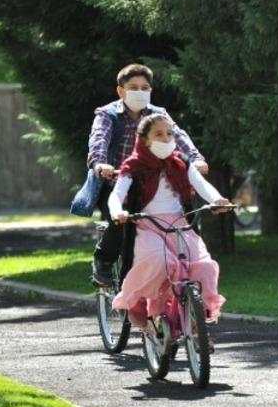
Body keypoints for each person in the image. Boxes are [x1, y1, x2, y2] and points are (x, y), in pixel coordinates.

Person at [73, 63, 208, 287]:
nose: (139, 92)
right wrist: (100, 164)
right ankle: (104, 261)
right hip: (116, 180)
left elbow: (178, 136)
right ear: (121, 91)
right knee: (122, 222)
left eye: (145, 88)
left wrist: (196, 158)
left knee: (182, 218)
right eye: (133, 87)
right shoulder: (107, 115)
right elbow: (98, 140)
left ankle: (183, 272)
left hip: (152, 182)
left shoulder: (158, 114)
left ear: (151, 91)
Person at [108, 114, 231, 330]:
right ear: (145, 140)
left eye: (169, 134)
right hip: (147, 225)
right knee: (160, 262)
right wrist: (117, 211)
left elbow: (202, 185)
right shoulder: (134, 165)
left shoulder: (181, 161)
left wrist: (217, 200)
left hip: (179, 225)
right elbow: (116, 194)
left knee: (203, 266)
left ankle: (195, 319)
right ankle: (151, 309)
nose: (166, 139)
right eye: (159, 134)